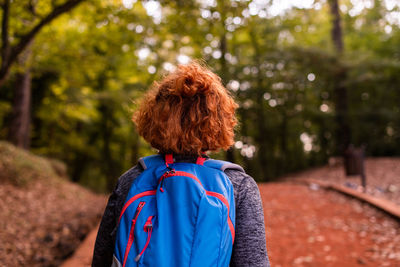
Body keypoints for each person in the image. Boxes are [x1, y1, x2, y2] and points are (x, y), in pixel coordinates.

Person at [92, 61, 270, 267]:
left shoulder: (131, 180)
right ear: (219, 122)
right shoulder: (238, 185)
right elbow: (252, 262)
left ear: (153, 118)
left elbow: (101, 259)